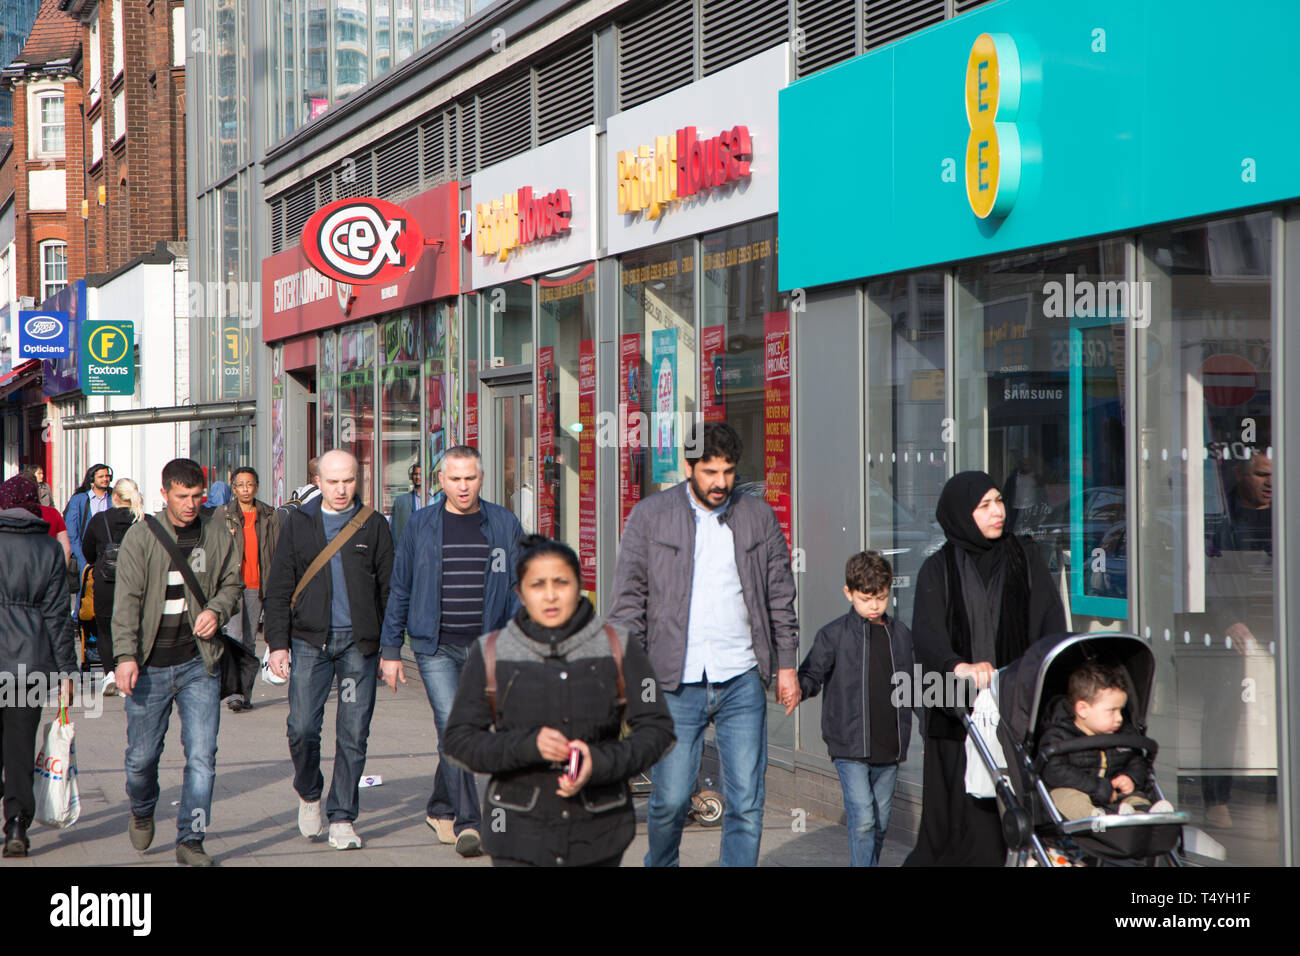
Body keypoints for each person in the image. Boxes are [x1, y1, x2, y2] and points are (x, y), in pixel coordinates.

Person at [609, 420, 800, 867]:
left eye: (729, 471)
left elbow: (780, 596)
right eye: (710, 471)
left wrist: (787, 665)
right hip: (674, 681)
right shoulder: (651, 516)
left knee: (747, 802)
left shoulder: (758, 517)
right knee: (671, 800)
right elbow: (627, 604)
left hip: (741, 679)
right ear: (690, 466)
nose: (721, 482)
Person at [442, 536, 675, 867]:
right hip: (516, 832)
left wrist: (600, 760)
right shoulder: (491, 652)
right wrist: (527, 745)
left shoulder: (619, 646)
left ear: (580, 585)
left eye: (561, 583)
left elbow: (658, 730)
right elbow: (459, 742)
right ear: (520, 593)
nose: (550, 595)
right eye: (537, 585)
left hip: (599, 829)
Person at [904, 471, 1066, 867]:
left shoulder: (1024, 556)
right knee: (951, 829)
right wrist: (956, 665)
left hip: (1011, 712)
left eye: (999, 501)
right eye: (984, 505)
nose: (998, 512)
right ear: (961, 514)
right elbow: (927, 634)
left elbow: (1050, 620)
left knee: (1004, 818)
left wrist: (1042, 672)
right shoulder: (937, 569)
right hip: (957, 717)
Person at [379, 445, 523, 858]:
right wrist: (391, 650)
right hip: (435, 646)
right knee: (454, 725)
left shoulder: (504, 523)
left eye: (470, 478)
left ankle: (440, 805)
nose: (463, 486)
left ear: (482, 478)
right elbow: (401, 586)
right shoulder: (421, 524)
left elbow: (518, 585)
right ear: (440, 480)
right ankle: (469, 822)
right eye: (454, 478)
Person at [112, 458, 243, 866]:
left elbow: (232, 583)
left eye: (197, 496)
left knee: (202, 756)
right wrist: (125, 657)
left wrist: (217, 611)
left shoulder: (218, 531)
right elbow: (127, 601)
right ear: (165, 493)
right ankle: (143, 806)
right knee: (141, 759)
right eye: (182, 496)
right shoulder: (141, 537)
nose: (191, 504)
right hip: (149, 666)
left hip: (197, 665)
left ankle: (191, 839)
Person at [263, 449, 394, 851]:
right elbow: (280, 586)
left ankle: (342, 817)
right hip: (308, 642)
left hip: (359, 645)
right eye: (332, 481)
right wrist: (277, 644)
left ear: (359, 480)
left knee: (353, 733)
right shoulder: (298, 522)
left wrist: (390, 650)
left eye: (348, 480)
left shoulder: (373, 526)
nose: (341, 489)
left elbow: (390, 591)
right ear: (317, 481)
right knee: (302, 727)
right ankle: (309, 790)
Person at [796, 550, 915, 867]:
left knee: (880, 822)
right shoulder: (833, 635)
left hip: (889, 747)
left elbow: (913, 686)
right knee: (863, 817)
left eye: (881, 597)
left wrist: (932, 728)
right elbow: (811, 674)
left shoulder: (900, 635)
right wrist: (797, 689)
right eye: (866, 598)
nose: (875, 606)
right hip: (849, 744)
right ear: (848, 593)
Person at [0, 476, 76, 857]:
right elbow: (58, 617)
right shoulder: (48, 549)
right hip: (28, 665)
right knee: (19, 746)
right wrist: (67, 672)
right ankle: (16, 822)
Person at [1039, 661, 1174, 819]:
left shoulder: (1123, 734)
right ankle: (1097, 819)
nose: (1119, 718)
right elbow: (1054, 771)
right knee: (1066, 797)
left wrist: (1130, 777)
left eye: (1121, 710)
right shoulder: (1059, 736)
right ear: (1083, 709)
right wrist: (1096, 787)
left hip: (1117, 796)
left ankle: (1145, 814)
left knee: (1136, 795)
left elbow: (1137, 761)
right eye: (1112, 711)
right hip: (1081, 792)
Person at [211, 467, 279, 713]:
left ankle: (245, 693)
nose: (245, 489)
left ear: (257, 486)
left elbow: (276, 551)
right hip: (232, 585)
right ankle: (234, 693)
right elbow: (213, 549)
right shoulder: (223, 514)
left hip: (258, 585)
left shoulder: (269, 515)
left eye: (249, 484)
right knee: (235, 637)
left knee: (250, 641)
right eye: (240, 485)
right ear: (234, 487)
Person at [81, 478, 146, 698]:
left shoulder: (100, 520)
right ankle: (131, 671)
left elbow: (87, 552)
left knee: (105, 630)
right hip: (137, 582)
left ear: (114, 497)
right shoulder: (144, 520)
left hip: (106, 582)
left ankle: (109, 673)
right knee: (136, 627)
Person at [64, 463, 113, 574]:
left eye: (107, 476)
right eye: (101, 477)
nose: (105, 479)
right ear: (92, 480)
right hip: (84, 554)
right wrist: (82, 557)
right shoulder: (79, 500)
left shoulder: (113, 498)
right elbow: (71, 532)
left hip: (108, 554)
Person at [389, 463, 424, 546]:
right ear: (411, 476)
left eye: (421, 474)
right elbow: (394, 529)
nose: (418, 477)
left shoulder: (434, 499)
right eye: (415, 474)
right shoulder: (400, 501)